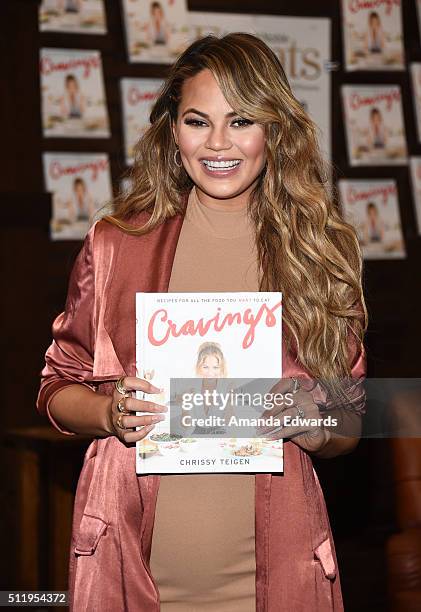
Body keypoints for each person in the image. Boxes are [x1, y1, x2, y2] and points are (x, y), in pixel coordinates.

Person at [37, 33, 367, 611]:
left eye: (241, 120)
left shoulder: (320, 251)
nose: (218, 143)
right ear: (173, 130)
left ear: (275, 130)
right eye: (198, 120)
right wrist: (108, 411)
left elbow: (351, 422)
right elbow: (55, 386)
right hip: (129, 573)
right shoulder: (117, 243)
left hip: (277, 576)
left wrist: (304, 418)